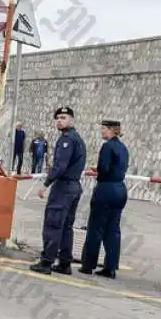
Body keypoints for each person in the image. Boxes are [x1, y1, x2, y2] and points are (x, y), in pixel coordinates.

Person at [29, 107, 87, 275]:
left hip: (63, 187)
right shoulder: (78, 139)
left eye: (63, 117)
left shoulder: (66, 139)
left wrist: (45, 184)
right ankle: (64, 262)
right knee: (66, 227)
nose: (59, 120)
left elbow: (60, 166)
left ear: (71, 120)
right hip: (74, 187)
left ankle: (46, 262)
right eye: (58, 118)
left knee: (53, 225)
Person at [79, 120, 130, 279]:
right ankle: (111, 267)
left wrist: (98, 170)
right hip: (120, 189)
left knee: (95, 228)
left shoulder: (107, 147)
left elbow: (105, 168)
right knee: (113, 229)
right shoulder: (123, 148)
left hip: (106, 188)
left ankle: (88, 264)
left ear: (111, 130)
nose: (101, 132)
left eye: (103, 129)